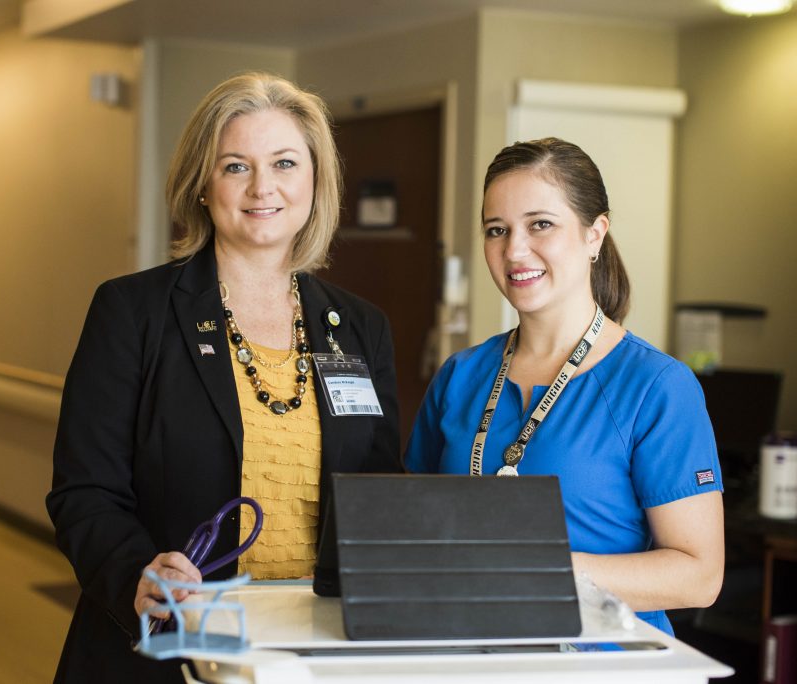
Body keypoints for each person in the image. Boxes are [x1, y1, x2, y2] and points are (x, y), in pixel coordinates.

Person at [47, 72, 401, 682]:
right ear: (202, 186)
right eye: (236, 166)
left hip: (315, 651)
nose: (263, 187)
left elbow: (382, 490)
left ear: (315, 181)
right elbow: (84, 491)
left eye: (286, 162)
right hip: (172, 646)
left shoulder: (360, 327)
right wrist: (136, 571)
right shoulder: (134, 312)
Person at [405, 138, 723, 635]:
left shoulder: (656, 387)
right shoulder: (460, 376)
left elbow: (699, 576)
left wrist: (532, 571)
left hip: (602, 663)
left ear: (595, 234)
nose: (514, 250)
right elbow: (409, 528)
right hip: (468, 652)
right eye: (497, 230)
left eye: (540, 225)